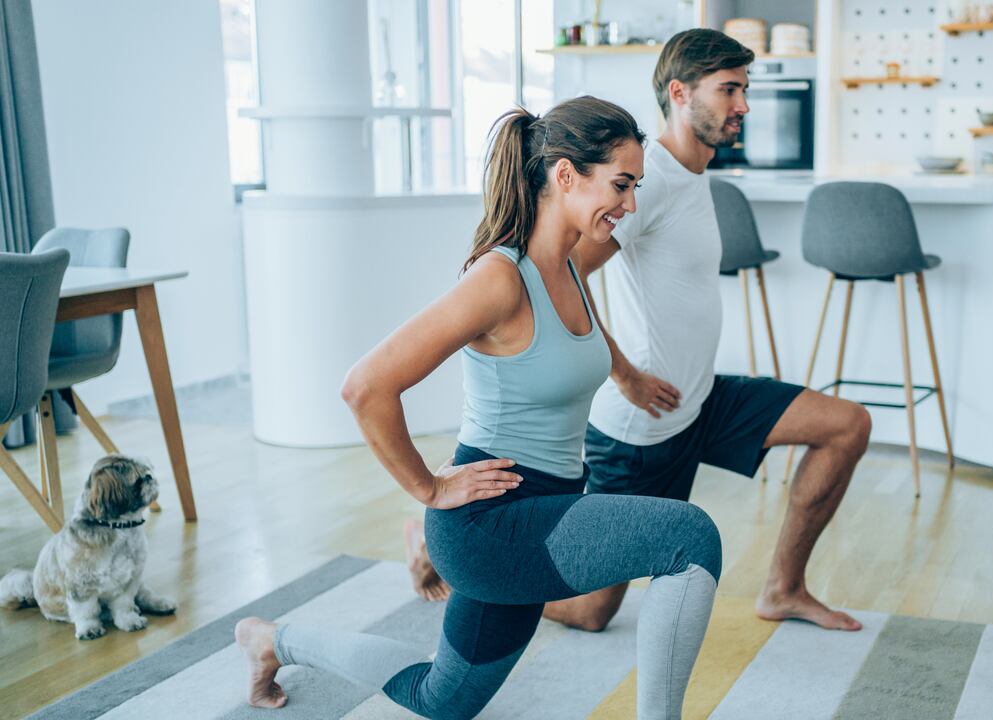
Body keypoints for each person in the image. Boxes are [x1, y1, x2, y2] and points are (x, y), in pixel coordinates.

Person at [235, 96, 722, 720]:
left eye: (635, 188)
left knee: (443, 700)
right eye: (621, 185)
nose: (629, 205)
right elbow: (366, 386)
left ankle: (272, 641)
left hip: (543, 509)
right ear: (566, 175)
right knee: (689, 537)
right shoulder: (500, 279)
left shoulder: (570, 267)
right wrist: (429, 488)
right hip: (492, 522)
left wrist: (629, 376)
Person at [408, 28, 872, 634]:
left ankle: (783, 588)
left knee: (845, 425)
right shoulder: (644, 183)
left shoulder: (689, 174)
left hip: (699, 401)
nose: (743, 105)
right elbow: (565, 271)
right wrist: (624, 374)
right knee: (592, 611)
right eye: (728, 89)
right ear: (680, 94)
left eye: (744, 89)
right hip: (642, 429)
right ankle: (450, 555)